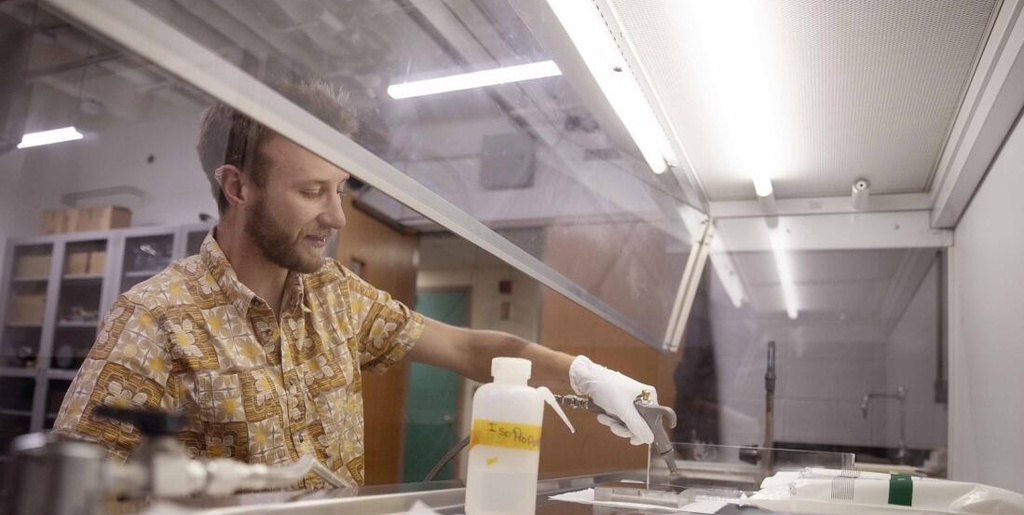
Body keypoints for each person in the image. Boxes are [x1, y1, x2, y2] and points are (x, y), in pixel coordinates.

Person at [53, 78, 661, 488]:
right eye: (312, 192)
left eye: (340, 190)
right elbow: (78, 488)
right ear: (238, 188)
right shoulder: (156, 317)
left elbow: (470, 350)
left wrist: (582, 375)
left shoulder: (335, 297)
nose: (338, 217)